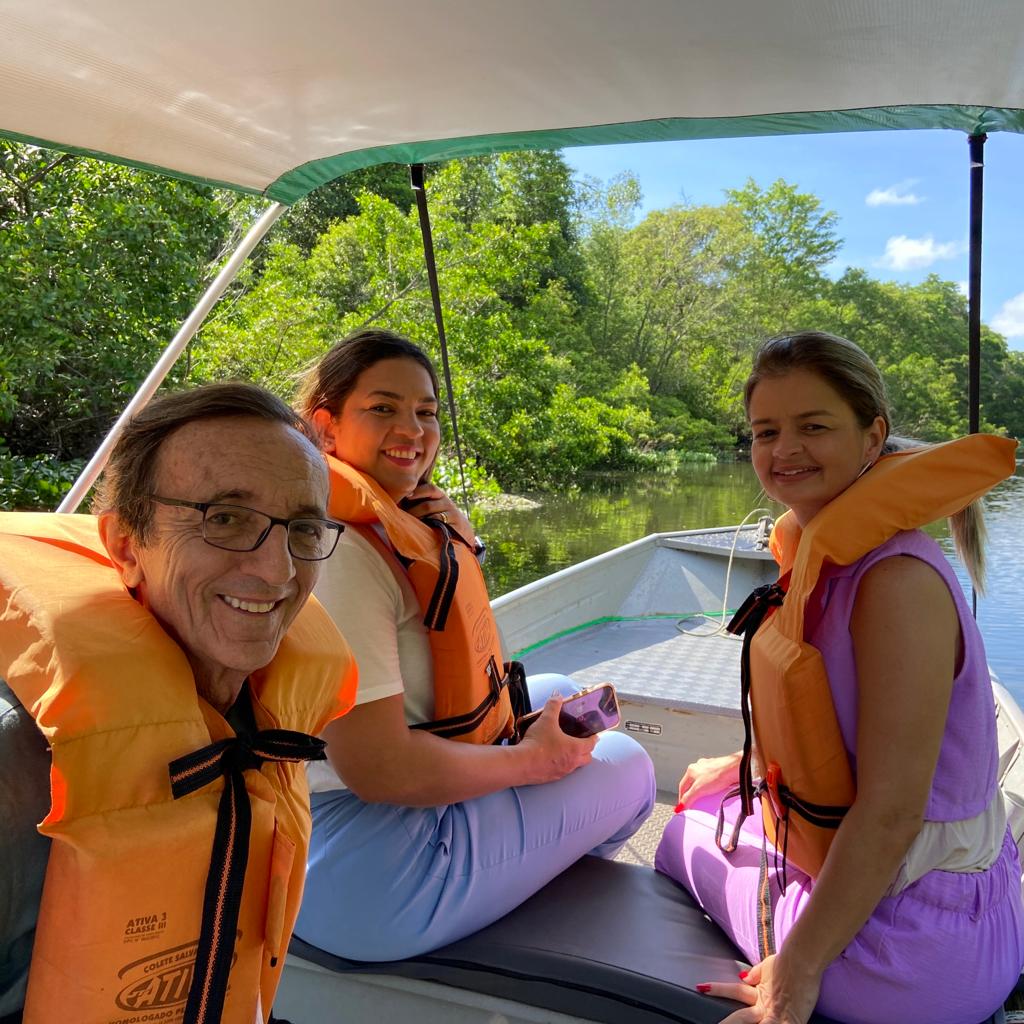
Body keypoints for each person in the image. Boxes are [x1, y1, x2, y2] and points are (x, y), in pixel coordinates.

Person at [655, 331, 1024, 1024]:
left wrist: (794, 976)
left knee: (683, 835)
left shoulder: (895, 582)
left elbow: (891, 814)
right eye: (767, 431)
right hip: (921, 907)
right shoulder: (833, 562)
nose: (784, 450)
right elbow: (836, 733)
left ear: (871, 436)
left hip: (918, 954)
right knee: (709, 792)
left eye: (813, 427)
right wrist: (747, 767)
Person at [292, 328, 656, 960]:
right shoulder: (342, 551)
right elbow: (379, 768)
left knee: (560, 694)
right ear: (326, 427)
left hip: (352, 825)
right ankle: (503, 894)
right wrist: (535, 763)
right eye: (383, 408)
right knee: (629, 764)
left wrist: (452, 537)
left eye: (425, 412)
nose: (413, 429)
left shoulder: (394, 520)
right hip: (364, 871)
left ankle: (507, 867)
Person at [0, 382, 358, 1023]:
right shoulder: (14, 769)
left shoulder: (266, 716)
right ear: (127, 546)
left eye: (303, 528)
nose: (277, 570)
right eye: (225, 518)